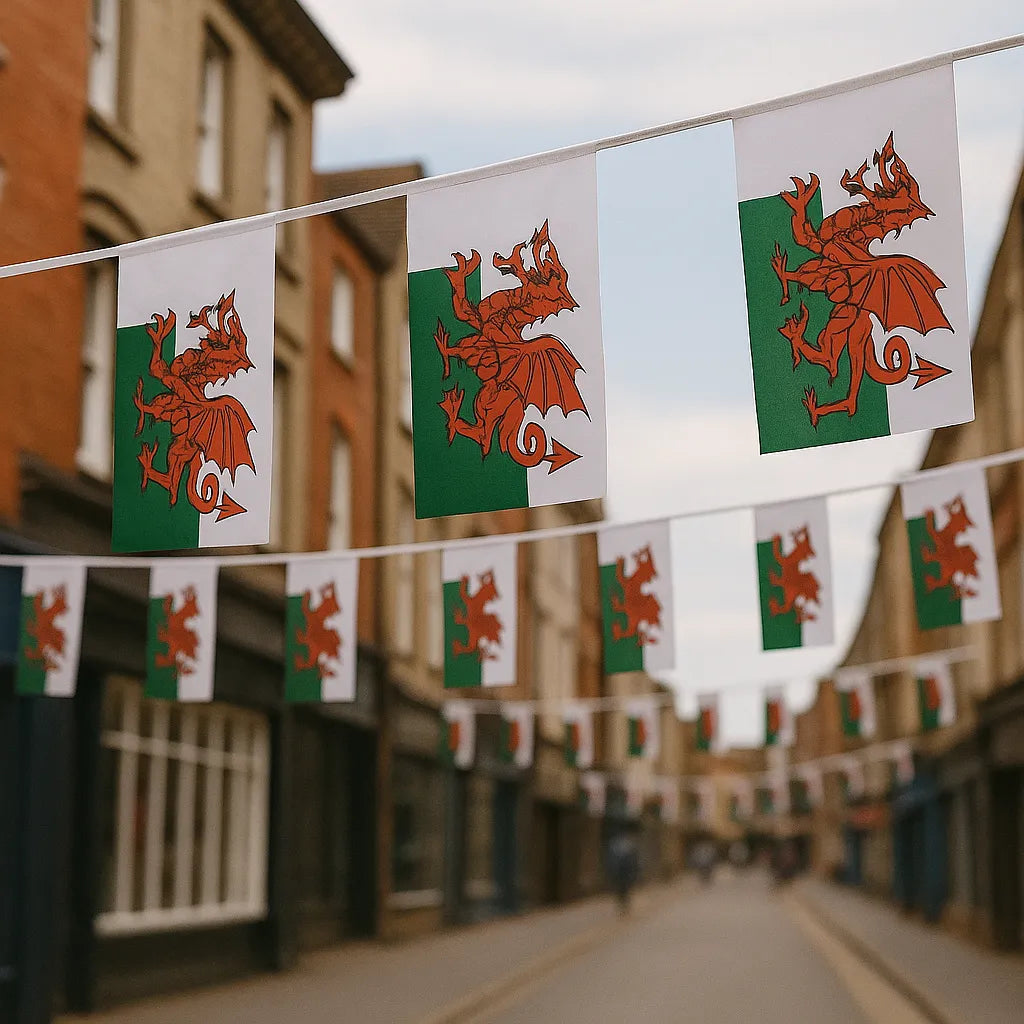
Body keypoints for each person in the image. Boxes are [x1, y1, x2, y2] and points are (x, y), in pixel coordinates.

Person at [606, 830, 640, 914]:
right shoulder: (616, 846)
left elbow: (633, 862)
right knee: (621, 889)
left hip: (624, 872)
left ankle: (623, 904)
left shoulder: (622, 846)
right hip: (620, 872)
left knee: (624, 889)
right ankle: (622, 904)